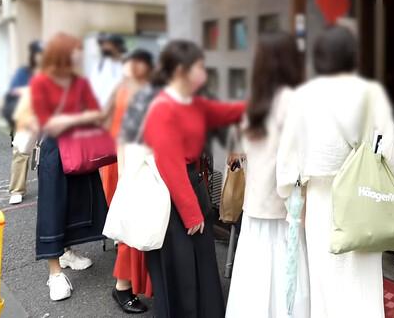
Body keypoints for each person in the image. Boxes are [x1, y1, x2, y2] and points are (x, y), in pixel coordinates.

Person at [277, 25, 394, 318]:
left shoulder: (303, 98)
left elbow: (287, 164)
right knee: (362, 284)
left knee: (325, 284)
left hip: (321, 202)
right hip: (363, 197)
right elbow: (392, 157)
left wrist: (293, 202)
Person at [142, 40, 245, 317]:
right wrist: (191, 213)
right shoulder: (164, 105)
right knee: (183, 270)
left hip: (192, 186)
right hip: (176, 197)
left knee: (197, 265)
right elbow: (169, 162)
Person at [227, 32, 308, 317]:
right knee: (288, 269)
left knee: (255, 272)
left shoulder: (254, 99)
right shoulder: (294, 100)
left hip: (256, 200)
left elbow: (238, 149)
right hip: (285, 202)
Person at [29, 33, 109, 302]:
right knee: (53, 211)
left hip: (80, 151)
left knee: (79, 204)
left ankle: (67, 252)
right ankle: (54, 274)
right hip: (54, 154)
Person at [101, 49, 154, 314]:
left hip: (126, 166)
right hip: (128, 167)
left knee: (131, 230)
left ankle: (127, 285)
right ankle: (123, 287)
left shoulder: (126, 90)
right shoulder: (130, 94)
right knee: (130, 232)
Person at [7, 41, 43, 205]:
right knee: (21, 151)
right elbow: (14, 90)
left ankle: (48, 186)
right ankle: (16, 190)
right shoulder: (24, 72)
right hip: (27, 117)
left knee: (50, 153)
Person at [90, 33, 126, 109]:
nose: (104, 47)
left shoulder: (126, 65)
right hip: (98, 108)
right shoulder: (98, 65)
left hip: (117, 107)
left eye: (107, 44)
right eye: (102, 44)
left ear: (117, 46)